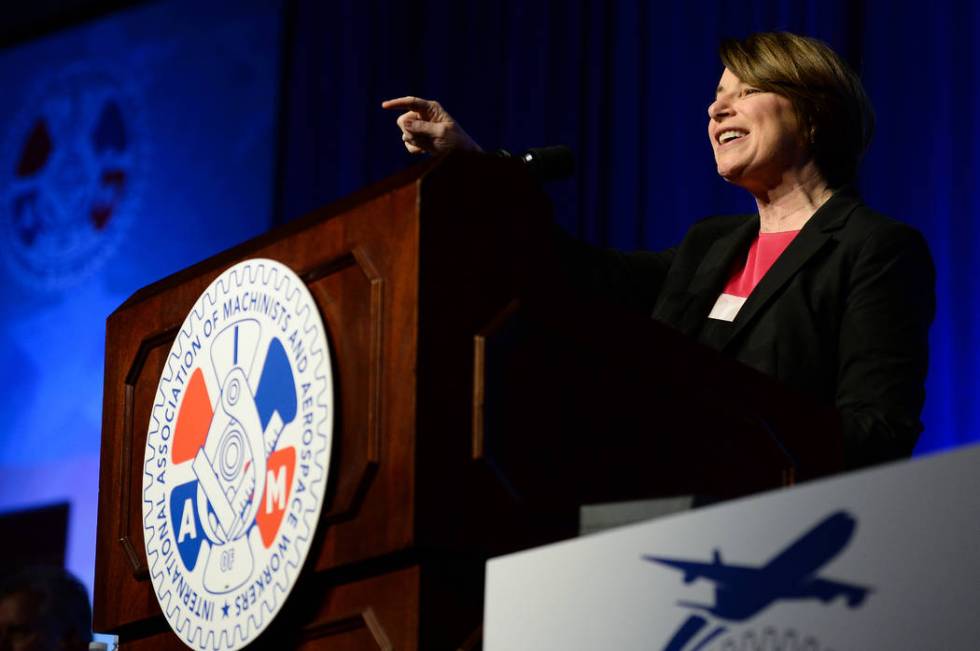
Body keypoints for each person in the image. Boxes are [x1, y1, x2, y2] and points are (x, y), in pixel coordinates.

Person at [381, 32, 935, 470]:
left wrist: (743, 435)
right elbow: (576, 274)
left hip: (778, 526)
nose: (717, 111)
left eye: (745, 92)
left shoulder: (874, 249)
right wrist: (479, 169)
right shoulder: (707, 245)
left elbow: (876, 432)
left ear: (814, 114)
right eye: (716, 98)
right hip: (655, 513)